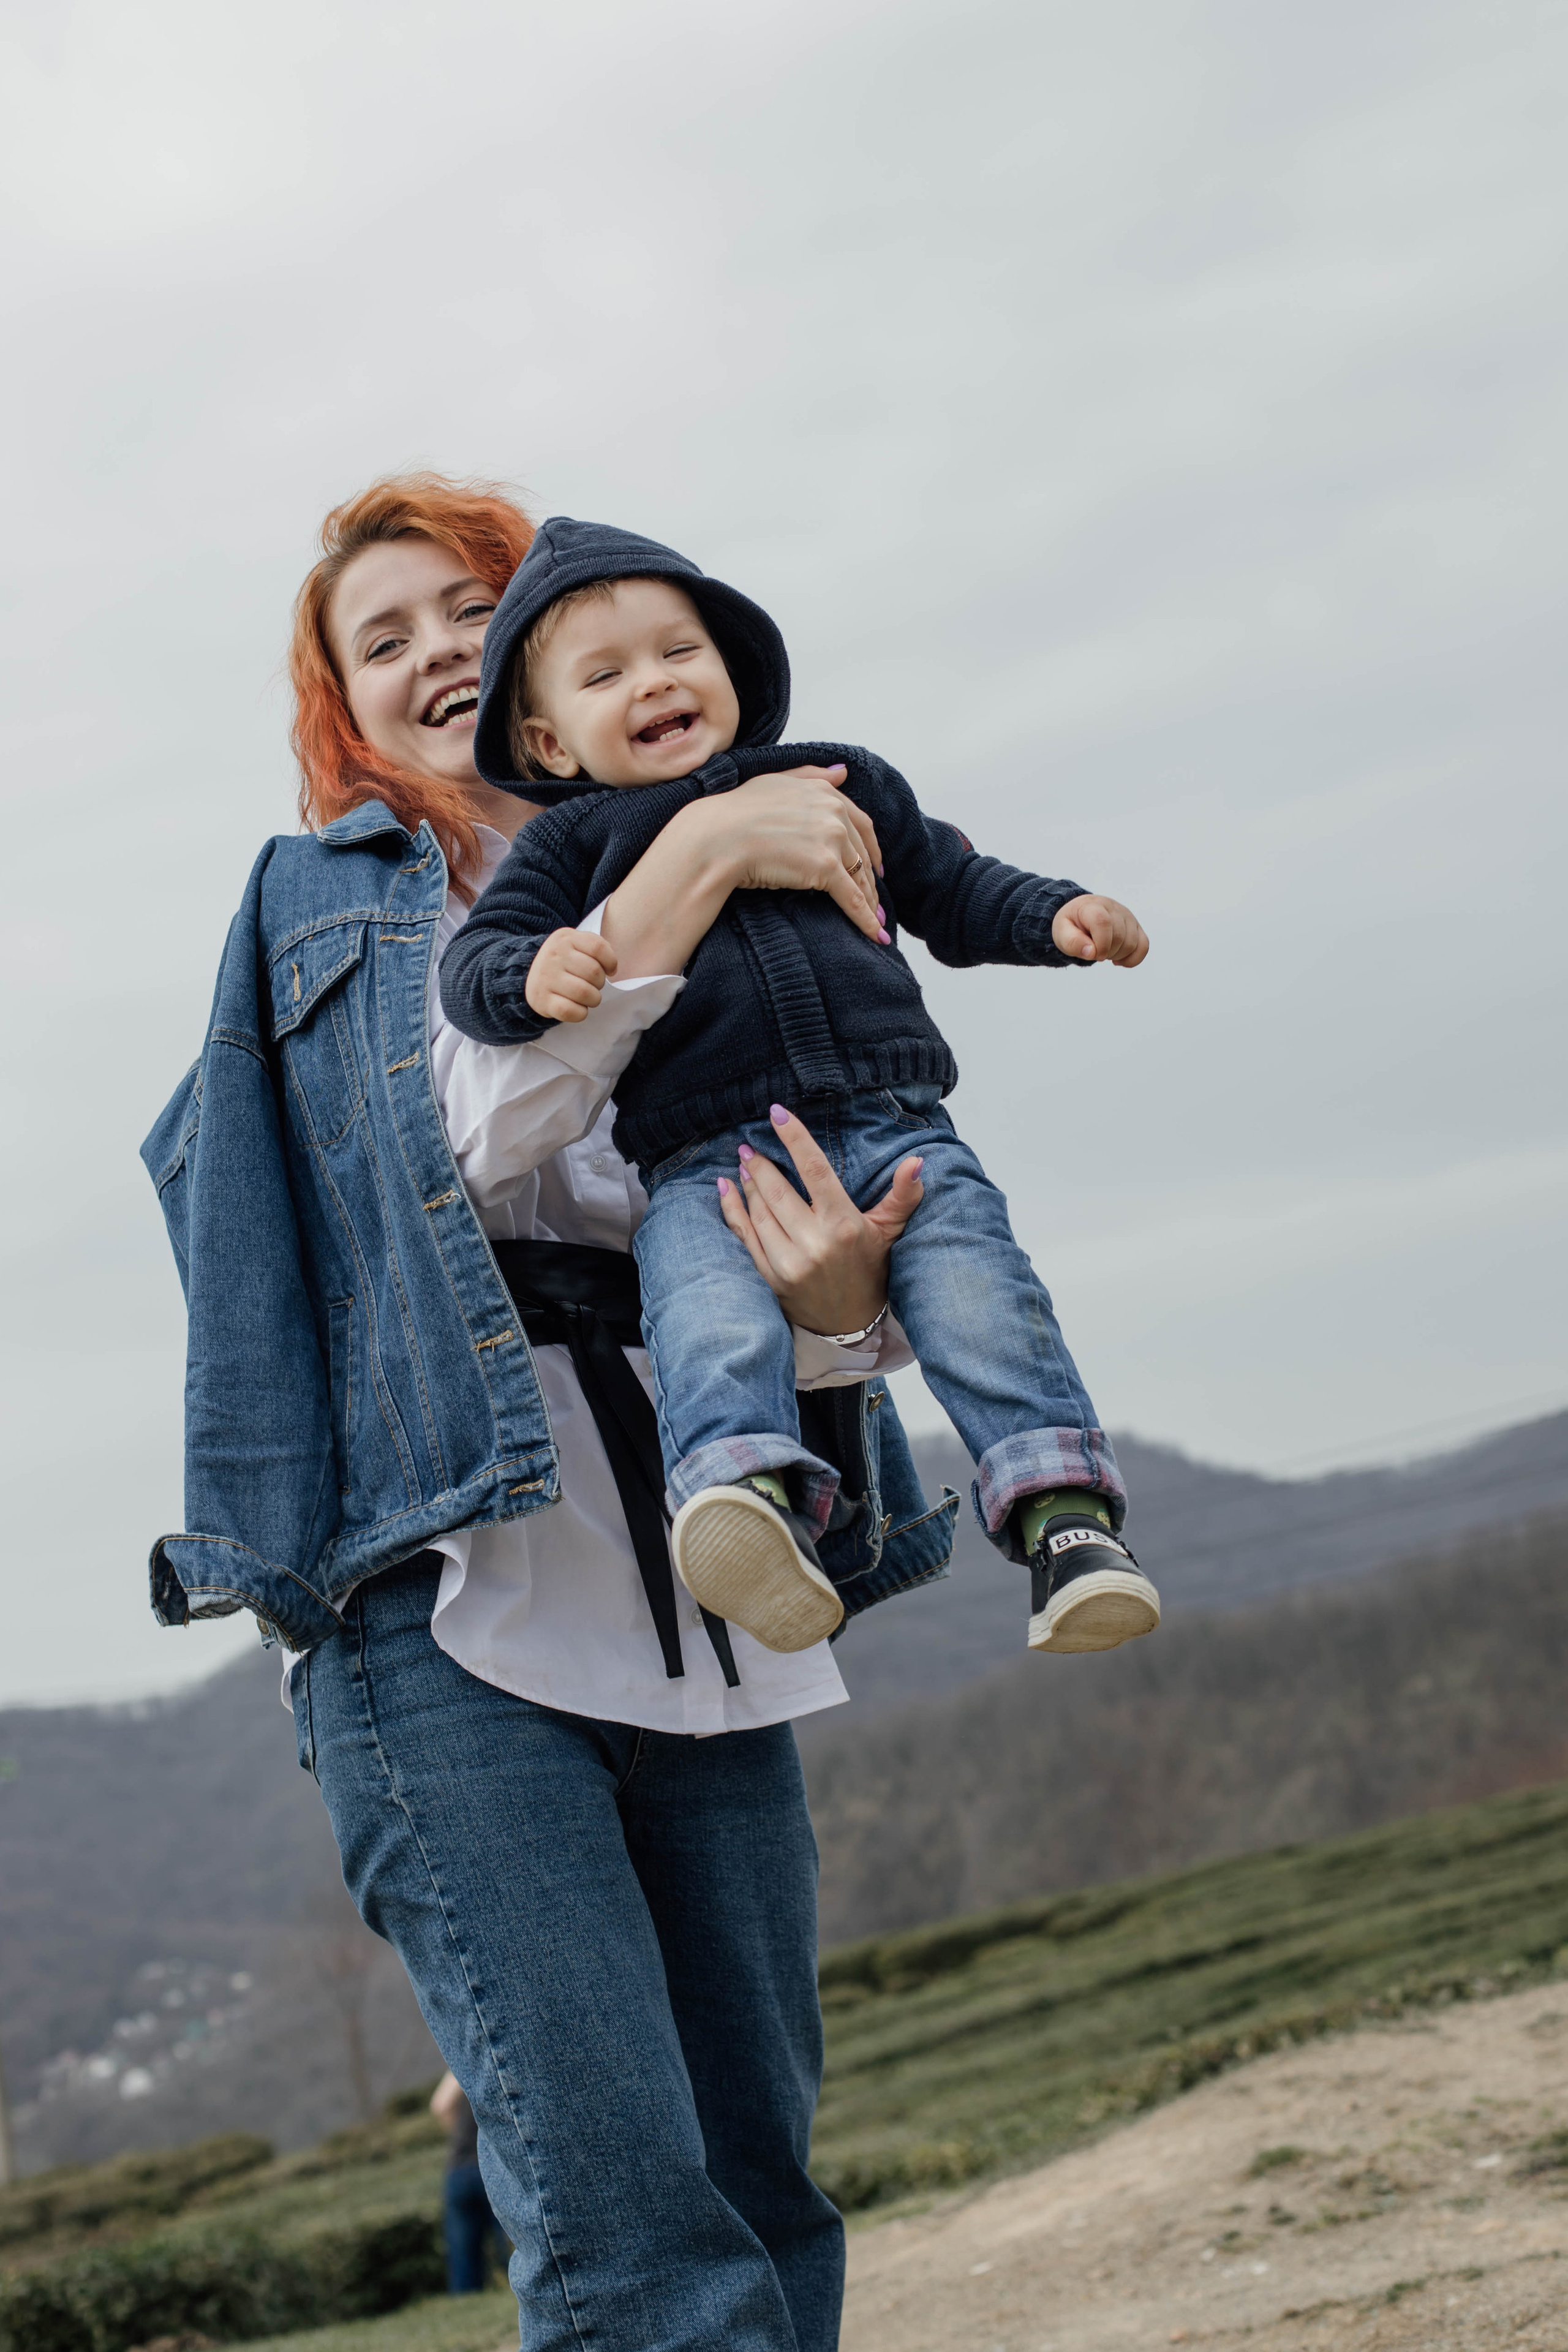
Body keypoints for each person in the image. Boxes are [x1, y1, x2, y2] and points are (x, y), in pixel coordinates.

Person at [140, 473, 962, 2352]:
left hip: (701, 1590)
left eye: (466, 608)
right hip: (440, 1603)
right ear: (345, 704)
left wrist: (839, 1326)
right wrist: (692, 861)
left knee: (762, 2198)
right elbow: (461, 1139)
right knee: (631, 2237)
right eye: (384, 635)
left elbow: (827, 1227)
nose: (434, 647)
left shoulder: (759, 886)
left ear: (543, 661)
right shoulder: (326, 904)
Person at [438, 516, 1161, 1662]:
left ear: (731, 666)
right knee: (707, 1321)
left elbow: (954, 885)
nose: (656, 682)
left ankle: (1064, 1522)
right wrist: (534, 972)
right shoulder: (574, 842)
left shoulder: (837, 780)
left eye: (679, 652)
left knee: (982, 1299)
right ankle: (749, 1501)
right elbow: (476, 970)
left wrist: (1055, 916)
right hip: (703, 1161)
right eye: (608, 673)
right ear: (552, 739)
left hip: (898, 1126)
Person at [431, 2068, 508, 2293]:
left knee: (463, 2263)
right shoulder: (500, 2061)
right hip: (492, 2166)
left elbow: (440, 2105)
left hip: (458, 2169)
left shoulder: (464, 2063)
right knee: (515, 2249)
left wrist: (458, 2133)